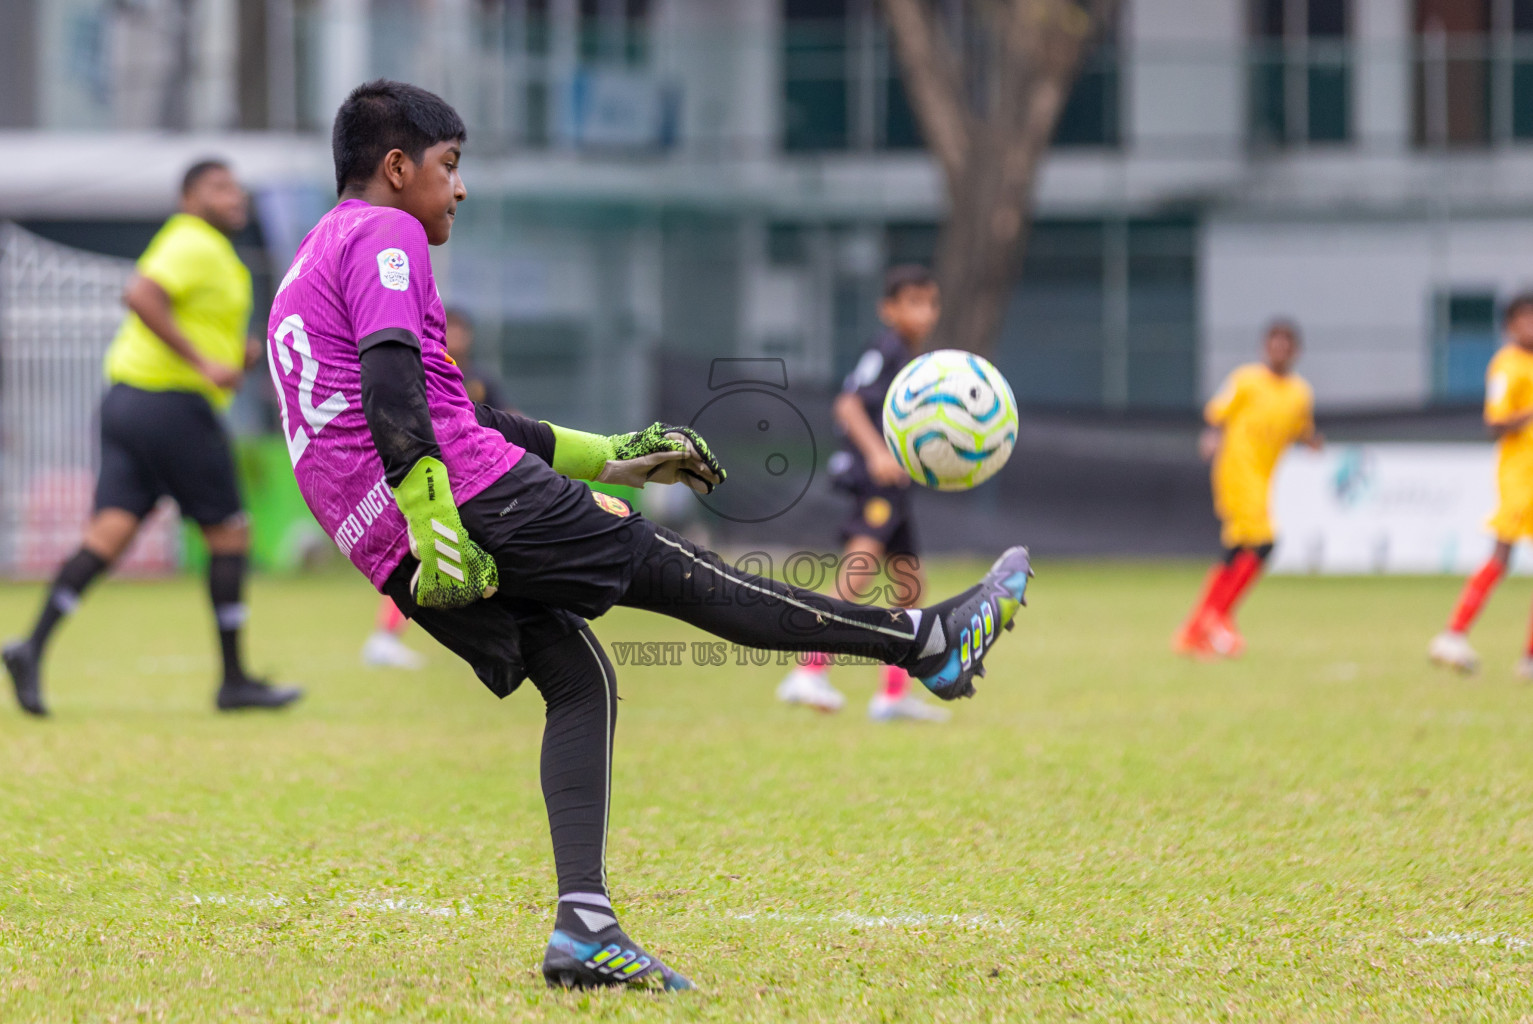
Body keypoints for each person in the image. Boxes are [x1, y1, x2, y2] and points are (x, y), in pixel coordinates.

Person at [272, 79, 1030, 990]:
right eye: (449, 166)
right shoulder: (384, 232)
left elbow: (458, 412)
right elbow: (396, 397)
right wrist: (437, 518)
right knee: (678, 571)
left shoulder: (313, 258)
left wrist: (618, 457)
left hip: (391, 542)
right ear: (396, 168)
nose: (458, 188)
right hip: (454, 508)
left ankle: (583, 930)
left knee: (580, 679)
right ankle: (927, 642)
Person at [3, 160, 301, 716]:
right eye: (218, 187)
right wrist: (203, 364)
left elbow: (189, 317)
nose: (233, 196)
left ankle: (30, 647)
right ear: (190, 197)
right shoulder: (191, 240)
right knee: (229, 532)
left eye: (236, 187)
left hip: (128, 402)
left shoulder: (211, 251)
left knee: (108, 535)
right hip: (170, 404)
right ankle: (234, 681)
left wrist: (230, 354)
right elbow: (140, 295)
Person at [775, 265, 950, 722]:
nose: (924, 312)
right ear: (888, 309)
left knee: (911, 586)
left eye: (930, 302)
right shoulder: (886, 348)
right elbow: (848, 404)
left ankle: (892, 694)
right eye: (913, 302)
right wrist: (877, 454)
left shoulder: (909, 357)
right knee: (858, 571)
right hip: (877, 481)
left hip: (897, 484)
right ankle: (808, 670)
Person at [360, 310, 504, 669]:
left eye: (461, 328)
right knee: (420, 554)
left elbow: (503, 419)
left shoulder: (480, 378)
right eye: (449, 327)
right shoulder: (414, 368)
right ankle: (385, 637)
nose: (455, 334)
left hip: (476, 475)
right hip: (431, 478)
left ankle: (497, 637)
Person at [1174, 320, 1320, 659]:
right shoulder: (1245, 380)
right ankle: (1217, 619)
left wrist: (1313, 442)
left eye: (1287, 344)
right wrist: (1211, 436)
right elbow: (1216, 415)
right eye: (1274, 343)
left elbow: (1301, 428)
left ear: (1295, 352)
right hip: (1236, 474)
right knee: (1266, 543)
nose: (1280, 350)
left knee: (1237, 552)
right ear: (1264, 348)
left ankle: (1195, 630)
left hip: (1263, 480)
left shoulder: (1300, 393)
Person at [1429, 294, 1533, 676]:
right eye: (1524, 320)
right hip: (1519, 476)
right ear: (1510, 326)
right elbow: (1494, 423)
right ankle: (1453, 633)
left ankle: (1530, 657)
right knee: (1501, 554)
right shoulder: (1507, 366)